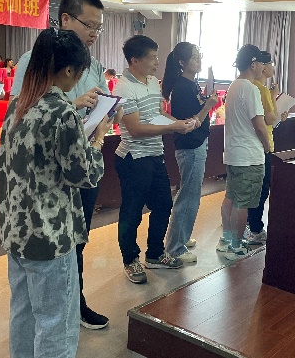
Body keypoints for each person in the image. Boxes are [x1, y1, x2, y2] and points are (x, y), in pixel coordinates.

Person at [0, 28, 114, 358]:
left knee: (23, 314)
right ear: (68, 70)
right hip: (50, 234)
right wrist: (98, 138)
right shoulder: (62, 113)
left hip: (15, 229)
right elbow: (84, 174)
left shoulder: (17, 106)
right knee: (56, 323)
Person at [114, 35, 197, 284]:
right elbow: (135, 129)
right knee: (132, 212)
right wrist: (172, 128)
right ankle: (130, 260)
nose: (157, 62)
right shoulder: (124, 88)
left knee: (163, 205)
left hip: (154, 154)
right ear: (135, 60)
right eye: (152, 58)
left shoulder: (152, 81)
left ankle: (155, 254)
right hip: (134, 157)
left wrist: (179, 122)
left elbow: (159, 113)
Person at [161, 42, 218, 262]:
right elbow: (190, 123)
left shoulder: (191, 84)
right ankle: (175, 247)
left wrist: (207, 103)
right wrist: (208, 106)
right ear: (182, 62)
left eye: (199, 56)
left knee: (190, 194)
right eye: (194, 57)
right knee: (188, 196)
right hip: (190, 146)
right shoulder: (182, 87)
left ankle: (181, 237)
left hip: (197, 144)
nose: (199, 60)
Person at [217, 44, 270, 260]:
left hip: (234, 153)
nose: (264, 67)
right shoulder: (250, 88)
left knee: (231, 197)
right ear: (253, 64)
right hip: (248, 155)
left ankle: (226, 240)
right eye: (262, 63)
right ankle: (236, 245)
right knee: (243, 202)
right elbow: (259, 124)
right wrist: (267, 144)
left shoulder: (234, 85)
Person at [246, 54, 287, 245]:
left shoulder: (259, 88)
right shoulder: (260, 89)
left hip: (263, 141)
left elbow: (270, 119)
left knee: (258, 188)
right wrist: (273, 98)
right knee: (260, 189)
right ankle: (255, 228)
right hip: (263, 144)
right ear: (262, 67)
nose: (272, 67)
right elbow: (269, 119)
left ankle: (251, 224)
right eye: (270, 64)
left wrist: (277, 112)